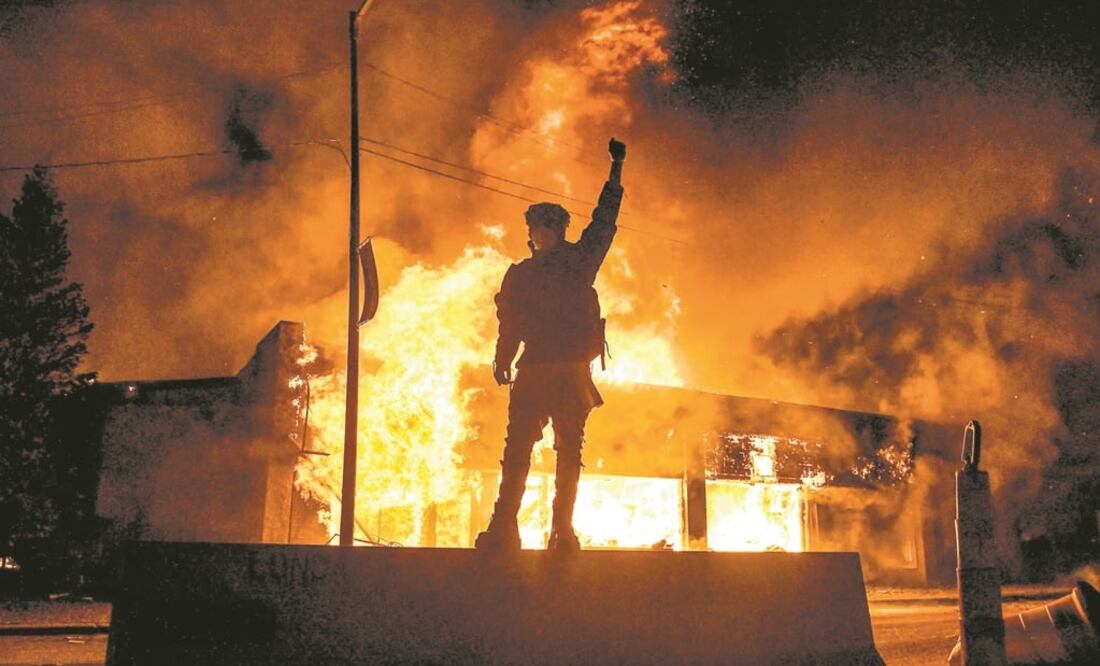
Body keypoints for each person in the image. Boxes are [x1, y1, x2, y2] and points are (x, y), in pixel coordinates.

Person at [476, 137, 626, 552]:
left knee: (533, 451)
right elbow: (510, 322)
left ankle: (534, 529)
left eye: (538, 228)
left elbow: (604, 220)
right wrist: (503, 357)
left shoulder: (538, 270)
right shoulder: (566, 264)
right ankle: (536, 529)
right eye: (534, 229)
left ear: (547, 230)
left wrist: (616, 170)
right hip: (554, 370)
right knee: (548, 452)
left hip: (549, 370)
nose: (535, 235)